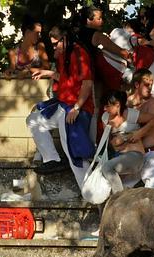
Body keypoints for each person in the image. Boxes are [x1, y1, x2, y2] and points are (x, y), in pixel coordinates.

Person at [27, 25, 95, 186]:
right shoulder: (65, 54)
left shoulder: (79, 53)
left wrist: (77, 108)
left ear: (66, 38)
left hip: (73, 108)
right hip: (63, 105)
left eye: (56, 43)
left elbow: (87, 83)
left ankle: (90, 192)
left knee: (74, 154)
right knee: (34, 120)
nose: (54, 47)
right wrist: (48, 73)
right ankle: (52, 159)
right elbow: (65, 78)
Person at [100, 91, 154, 194]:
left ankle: (118, 199)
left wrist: (136, 134)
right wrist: (115, 143)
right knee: (103, 188)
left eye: (107, 106)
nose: (104, 109)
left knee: (107, 168)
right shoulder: (105, 117)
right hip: (118, 157)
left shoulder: (131, 114)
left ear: (117, 105)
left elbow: (153, 120)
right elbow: (108, 141)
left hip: (134, 156)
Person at [123, 69, 154, 189]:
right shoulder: (127, 103)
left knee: (153, 188)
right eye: (146, 84)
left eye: (151, 84)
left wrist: (138, 134)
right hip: (134, 154)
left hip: (153, 152)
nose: (150, 87)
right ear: (137, 85)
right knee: (122, 187)